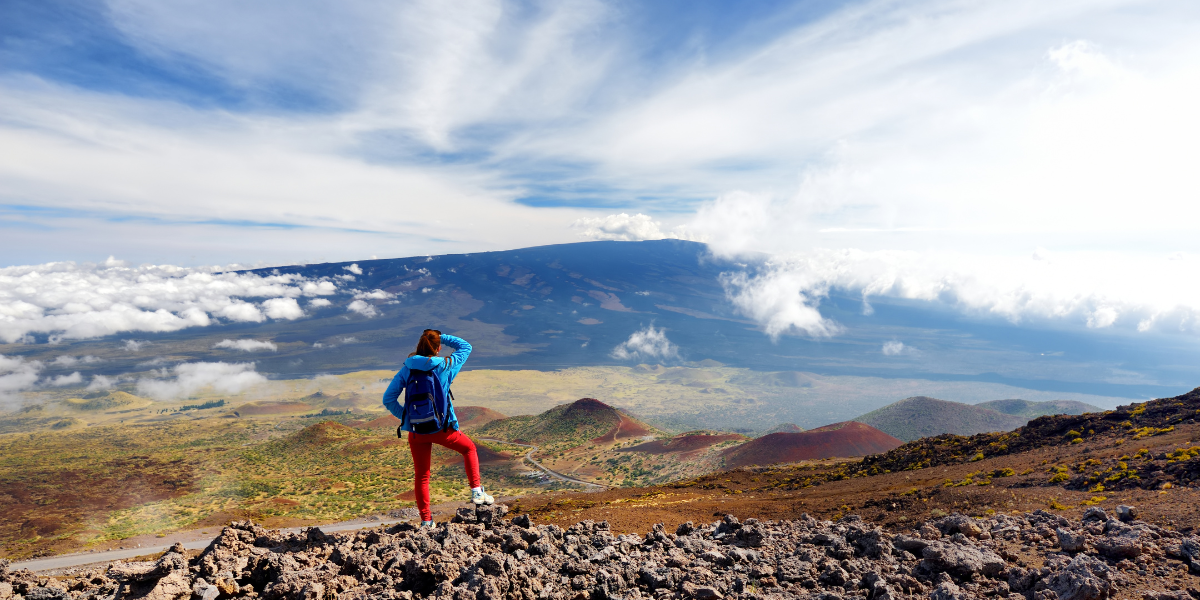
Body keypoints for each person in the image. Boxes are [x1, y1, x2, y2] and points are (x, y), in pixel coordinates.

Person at [382, 329, 493, 528]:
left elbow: (388, 399)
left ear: (420, 345)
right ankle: (477, 491)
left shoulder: (407, 368)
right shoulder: (446, 365)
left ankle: (426, 521)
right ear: (438, 347)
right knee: (469, 449)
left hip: (417, 433)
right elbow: (465, 346)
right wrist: (442, 337)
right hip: (442, 428)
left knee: (422, 476)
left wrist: (408, 419)